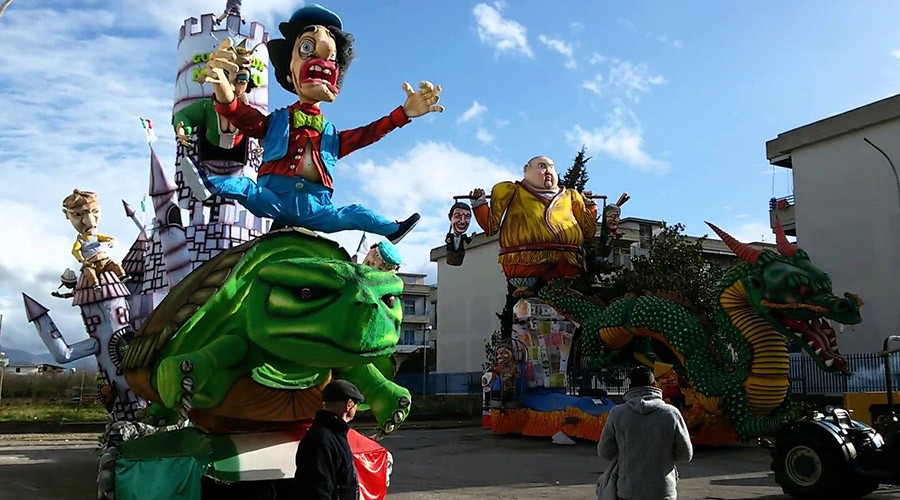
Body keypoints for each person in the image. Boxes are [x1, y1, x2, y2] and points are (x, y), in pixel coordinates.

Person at [192, 4, 444, 244]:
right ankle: (208, 182)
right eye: (306, 48)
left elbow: (369, 134)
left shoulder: (332, 135)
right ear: (289, 73)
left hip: (317, 206)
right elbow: (240, 113)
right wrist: (220, 84)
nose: (321, 59)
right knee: (246, 188)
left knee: (354, 213)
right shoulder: (277, 121)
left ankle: (393, 230)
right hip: (276, 197)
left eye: (331, 57)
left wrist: (404, 113)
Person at [470, 155, 597, 297]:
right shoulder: (512, 190)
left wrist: (590, 206)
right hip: (524, 259)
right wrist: (479, 204)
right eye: (542, 166)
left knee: (563, 295)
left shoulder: (570, 195)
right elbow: (491, 226)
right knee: (526, 291)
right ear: (526, 170)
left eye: (551, 167)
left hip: (568, 257)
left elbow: (589, 229)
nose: (548, 171)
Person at [597, 365, 693, 500]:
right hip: (662, 491)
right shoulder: (671, 413)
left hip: (629, 491)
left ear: (630, 387)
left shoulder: (617, 414)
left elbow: (604, 451)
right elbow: (685, 455)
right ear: (654, 384)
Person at [295, 379, 364, 499]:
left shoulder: (334, 434)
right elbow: (318, 491)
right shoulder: (322, 439)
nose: (355, 409)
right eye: (355, 405)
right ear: (348, 405)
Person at [62, 189, 129, 291]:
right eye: (79, 215)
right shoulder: (80, 242)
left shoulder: (96, 237)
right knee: (89, 273)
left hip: (105, 261)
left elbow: (108, 238)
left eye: (95, 211)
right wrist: (83, 260)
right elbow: (74, 251)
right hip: (92, 264)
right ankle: (95, 285)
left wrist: (111, 241)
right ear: (67, 215)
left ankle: (122, 276)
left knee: (115, 265)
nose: (90, 223)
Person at [445, 201, 473, 266]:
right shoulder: (450, 235)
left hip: (460, 254)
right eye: (457, 216)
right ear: (450, 217)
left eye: (467, 217)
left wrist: (472, 237)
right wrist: (448, 241)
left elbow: (468, 241)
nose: (462, 221)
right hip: (451, 253)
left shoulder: (464, 236)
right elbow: (446, 240)